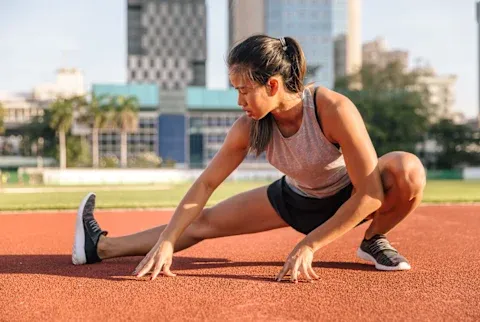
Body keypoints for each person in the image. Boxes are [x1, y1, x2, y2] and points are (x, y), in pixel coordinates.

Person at [72, 35, 426, 283]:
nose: (239, 101)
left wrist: (309, 244)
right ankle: (101, 246)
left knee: (406, 170)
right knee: (200, 224)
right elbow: (206, 183)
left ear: (272, 85)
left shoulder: (331, 108)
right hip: (296, 199)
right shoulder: (249, 127)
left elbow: (370, 194)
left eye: (243, 90)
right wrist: (167, 240)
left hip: (349, 196)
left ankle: (373, 239)